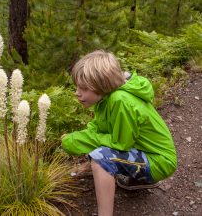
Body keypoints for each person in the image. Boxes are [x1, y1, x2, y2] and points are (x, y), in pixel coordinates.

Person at [61, 50, 177, 216]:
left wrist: (76, 141)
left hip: (160, 162)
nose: (77, 93)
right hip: (150, 154)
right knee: (100, 150)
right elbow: (99, 127)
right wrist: (76, 139)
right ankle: (137, 180)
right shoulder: (109, 97)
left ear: (102, 84)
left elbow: (120, 144)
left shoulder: (120, 100)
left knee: (101, 158)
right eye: (77, 86)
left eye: (84, 88)